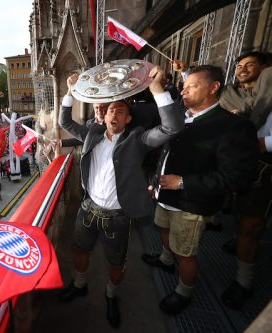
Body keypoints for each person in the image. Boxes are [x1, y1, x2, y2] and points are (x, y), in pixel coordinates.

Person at [57, 68, 184, 328]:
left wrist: (157, 89)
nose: (114, 113)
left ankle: (111, 295)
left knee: (115, 262)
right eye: (111, 110)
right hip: (88, 209)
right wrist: (70, 92)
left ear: (128, 120)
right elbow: (65, 123)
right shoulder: (92, 133)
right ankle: (80, 284)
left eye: (121, 111)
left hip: (117, 216)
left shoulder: (138, 139)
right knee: (79, 250)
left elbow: (172, 127)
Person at [141, 65, 258, 315]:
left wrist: (183, 182)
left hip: (190, 203)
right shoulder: (179, 117)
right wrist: (155, 180)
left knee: (185, 253)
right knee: (163, 229)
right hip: (164, 196)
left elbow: (237, 178)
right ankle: (164, 259)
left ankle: (184, 291)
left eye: (192, 86)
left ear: (214, 88)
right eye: (184, 86)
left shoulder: (234, 127)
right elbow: (164, 153)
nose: (184, 91)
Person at [218, 51, 272, 309]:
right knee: (243, 219)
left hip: (267, 167)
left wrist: (264, 143)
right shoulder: (239, 96)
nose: (243, 69)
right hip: (247, 165)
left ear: (265, 68)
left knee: (251, 226)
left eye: (250, 64)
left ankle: (244, 283)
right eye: (239, 65)